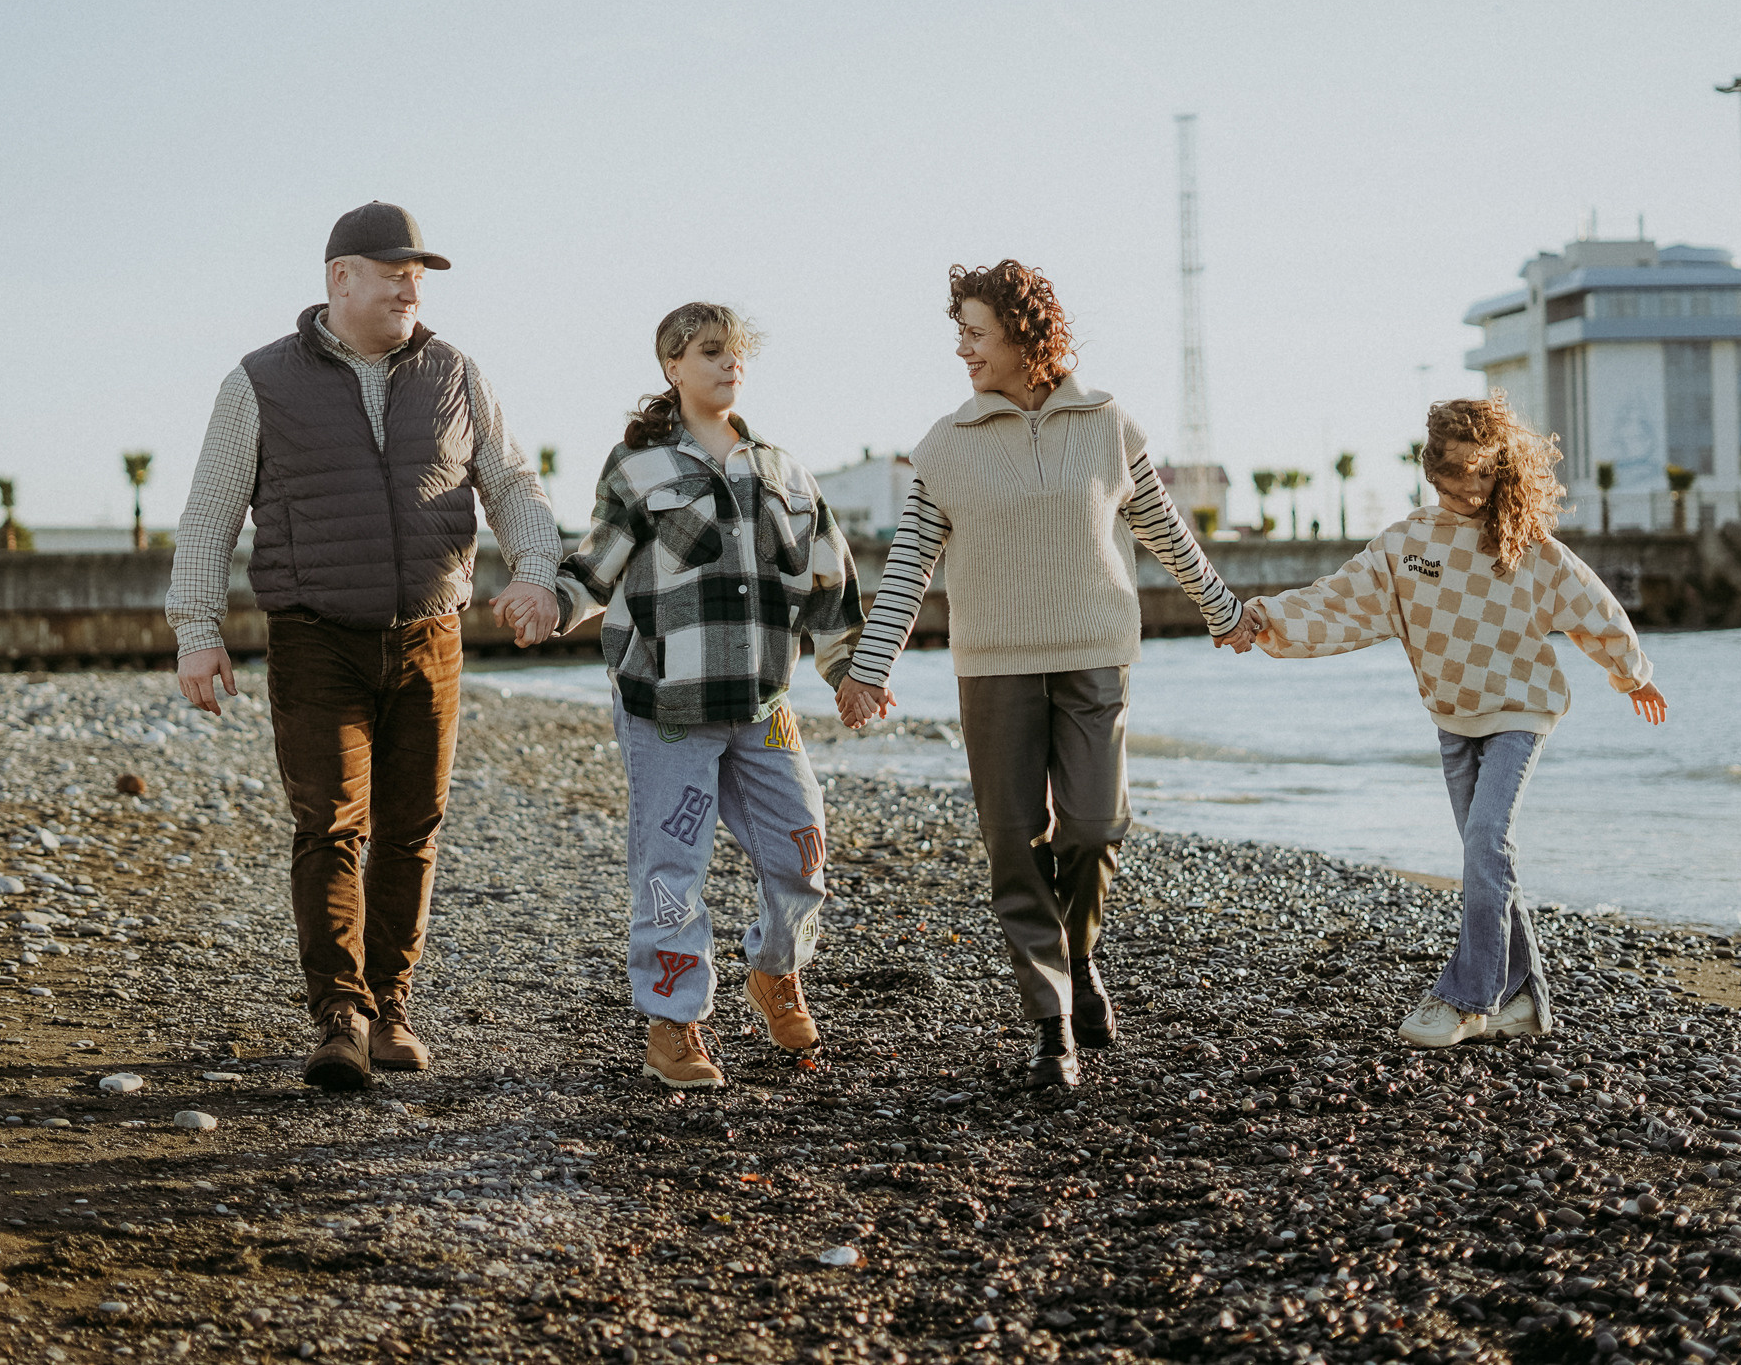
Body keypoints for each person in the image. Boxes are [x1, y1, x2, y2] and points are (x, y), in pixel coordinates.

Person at [166, 200, 563, 1091]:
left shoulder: (456, 372)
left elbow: (512, 481)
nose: (410, 289)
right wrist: (198, 632)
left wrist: (537, 568)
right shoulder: (258, 382)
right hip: (315, 639)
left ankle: (391, 1005)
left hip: (432, 635)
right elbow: (209, 514)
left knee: (413, 829)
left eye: (418, 277)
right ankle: (339, 1015)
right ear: (340, 277)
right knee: (330, 825)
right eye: (393, 274)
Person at [836, 261, 1250, 1089]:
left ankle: (1081, 953)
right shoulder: (945, 446)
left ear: (1025, 334)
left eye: (975, 333)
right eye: (958, 333)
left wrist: (1224, 608)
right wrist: (866, 668)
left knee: (1095, 826)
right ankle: (1052, 1021)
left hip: (1095, 653)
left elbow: (1166, 532)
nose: (963, 350)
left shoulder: (1105, 423)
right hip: (995, 668)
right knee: (1013, 844)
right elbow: (911, 562)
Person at [1231, 394, 1668, 1048]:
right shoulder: (1409, 544)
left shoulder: (1528, 547)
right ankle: (1528, 1001)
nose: (1469, 486)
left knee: (1486, 842)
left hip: (1522, 709)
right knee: (1486, 856)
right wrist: (1267, 619)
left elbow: (1593, 607)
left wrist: (1633, 673)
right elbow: (1339, 600)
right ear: (1433, 467)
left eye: (1484, 472)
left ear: (1506, 471)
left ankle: (1466, 999)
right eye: (1456, 471)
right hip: (1453, 716)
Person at [552, 303, 863, 1091]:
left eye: (737, 353)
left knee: (804, 853)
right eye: (711, 351)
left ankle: (774, 970)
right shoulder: (638, 469)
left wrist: (851, 673)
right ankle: (673, 1022)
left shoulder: (786, 472)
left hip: (762, 705)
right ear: (672, 365)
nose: (730, 364)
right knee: (671, 868)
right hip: (666, 709)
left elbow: (829, 581)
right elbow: (595, 567)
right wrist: (548, 606)